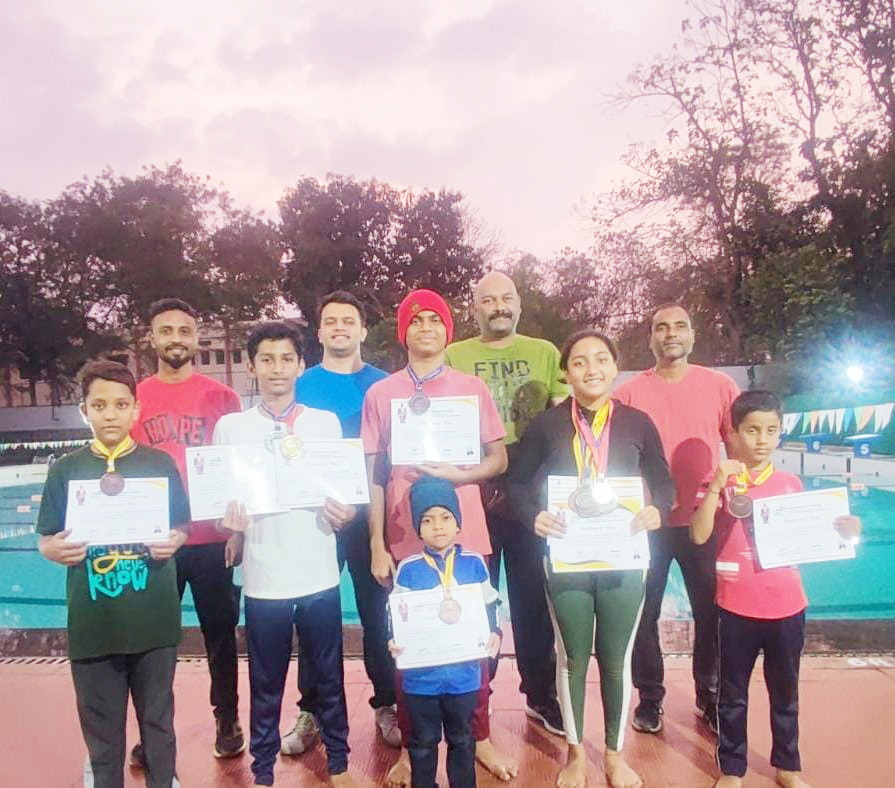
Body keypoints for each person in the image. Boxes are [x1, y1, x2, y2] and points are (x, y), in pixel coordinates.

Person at [360, 288, 514, 785]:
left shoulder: (471, 388)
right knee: (412, 648)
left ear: (448, 330)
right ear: (403, 331)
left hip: (465, 532)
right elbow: (374, 474)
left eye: (435, 319)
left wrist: (459, 474)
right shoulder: (381, 394)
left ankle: (480, 737)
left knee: (476, 644)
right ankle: (413, 748)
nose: (426, 327)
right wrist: (377, 542)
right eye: (416, 320)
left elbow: (498, 459)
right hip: (405, 536)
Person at [507, 329, 674, 788]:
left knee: (617, 659)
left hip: (624, 555)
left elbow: (662, 480)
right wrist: (533, 515)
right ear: (566, 372)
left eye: (601, 359)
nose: (591, 369)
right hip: (569, 556)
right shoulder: (547, 425)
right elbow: (517, 483)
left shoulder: (638, 423)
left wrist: (659, 509)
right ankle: (577, 754)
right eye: (579, 361)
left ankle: (615, 755)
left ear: (615, 367)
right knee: (572, 658)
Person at [690, 391, 861, 788]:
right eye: (752, 430)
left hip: (787, 605)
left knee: (785, 692)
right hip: (735, 607)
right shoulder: (719, 481)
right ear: (733, 434)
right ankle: (732, 769)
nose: (762, 440)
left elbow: (821, 533)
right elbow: (698, 535)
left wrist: (847, 530)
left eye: (771, 430)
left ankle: (787, 766)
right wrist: (716, 485)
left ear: (780, 433)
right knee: (732, 695)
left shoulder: (790, 483)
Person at [215, 322, 357, 788]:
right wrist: (228, 525)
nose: (277, 369)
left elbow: (344, 494)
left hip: (319, 573)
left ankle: (339, 764)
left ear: (301, 365)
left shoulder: (325, 423)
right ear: (252, 366)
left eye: (286, 359)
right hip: (265, 577)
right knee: (266, 684)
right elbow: (221, 506)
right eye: (267, 359)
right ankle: (262, 774)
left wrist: (346, 512)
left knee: (329, 678)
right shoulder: (231, 428)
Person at [36, 360, 190, 788]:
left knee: (158, 725)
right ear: (83, 410)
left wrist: (174, 540)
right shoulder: (65, 470)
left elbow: (181, 526)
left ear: (136, 409)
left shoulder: (159, 464)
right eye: (99, 405)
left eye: (121, 405)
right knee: (102, 737)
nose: (110, 414)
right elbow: (45, 538)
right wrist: (53, 549)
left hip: (153, 623)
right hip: (94, 625)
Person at [445, 271, 566, 733]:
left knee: (532, 599)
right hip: (473, 484)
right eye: (489, 299)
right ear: (474, 308)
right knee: (475, 595)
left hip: (530, 487)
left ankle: (540, 695)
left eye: (507, 298)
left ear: (519, 304)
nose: (499, 306)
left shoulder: (545, 352)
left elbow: (564, 419)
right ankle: (477, 694)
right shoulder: (455, 355)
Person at [614, 304, 739, 734]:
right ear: (650, 338)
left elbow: (739, 451)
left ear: (692, 334)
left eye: (680, 326)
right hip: (646, 523)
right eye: (661, 328)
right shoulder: (629, 394)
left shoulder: (719, 387)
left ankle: (710, 695)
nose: (671, 334)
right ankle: (650, 698)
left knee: (712, 611)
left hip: (704, 519)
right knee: (642, 614)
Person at [283, 290, 399, 755]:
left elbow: (392, 454)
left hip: (372, 517)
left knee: (378, 615)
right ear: (319, 332)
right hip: (318, 518)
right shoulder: (300, 385)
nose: (339, 328)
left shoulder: (384, 385)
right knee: (314, 617)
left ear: (363, 330)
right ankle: (312, 710)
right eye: (331, 321)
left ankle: (387, 702)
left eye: (348, 321)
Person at [131, 297, 245, 762]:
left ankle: (227, 719)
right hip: (156, 541)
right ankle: (154, 731)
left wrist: (238, 532)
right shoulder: (135, 397)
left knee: (221, 637)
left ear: (196, 338)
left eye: (184, 330)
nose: (175, 339)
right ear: (151, 338)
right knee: (153, 641)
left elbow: (237, 467)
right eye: (166, 330)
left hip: (212, 539)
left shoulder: (224, 398)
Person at [389, 476, 501, 788]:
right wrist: (394, 639)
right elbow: (396, 613)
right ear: (417, 527)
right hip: (422, 679)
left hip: (464, 677)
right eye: (427, 520)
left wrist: (494, 632)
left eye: (446, 518)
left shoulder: (474, 564)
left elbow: (490, 603)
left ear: (458, 523)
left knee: (462, 739)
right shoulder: (409, 569)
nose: (437, 527)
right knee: (423, 742)